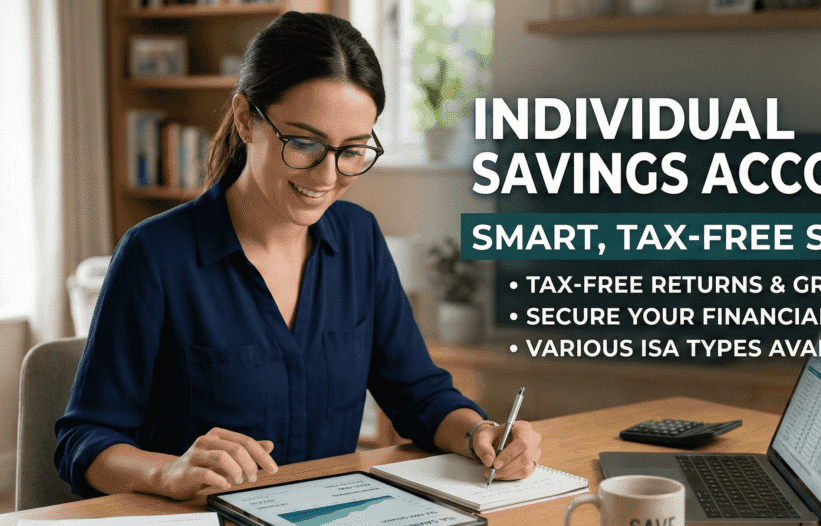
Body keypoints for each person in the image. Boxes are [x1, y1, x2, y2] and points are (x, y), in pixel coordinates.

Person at [54, 11, 541, 501]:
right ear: (246, 119)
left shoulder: (359, 239)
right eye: (304, 143)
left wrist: (478, 433)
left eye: (352, 149)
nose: (327, 176)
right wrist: (167, 473)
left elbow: (419, 394)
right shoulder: (155, 256)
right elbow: (85, 441)